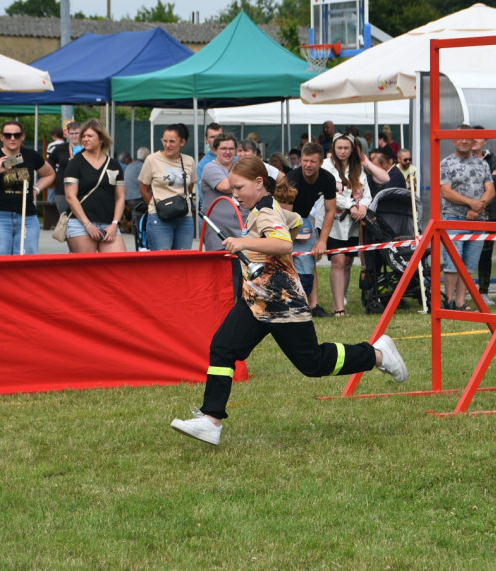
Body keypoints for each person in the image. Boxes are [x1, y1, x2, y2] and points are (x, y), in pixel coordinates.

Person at [169, 155, 408, 446]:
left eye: (239, 188)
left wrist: (244, 242)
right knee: (222, 347)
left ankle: (377, 354)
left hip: (282, 302)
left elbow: (284, 242)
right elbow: (296, 222)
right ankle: (210, 419)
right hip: (257, 300)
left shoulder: (266, 211)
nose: (234, 194)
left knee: (313, 363)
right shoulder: (265, 208)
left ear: (259, 183)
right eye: (232, 189)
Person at [0, 121, 55, 256]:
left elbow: (50, 174)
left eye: (16, 135)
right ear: (1, 137)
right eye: (8, 135)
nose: (12, 138)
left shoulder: (30, 155)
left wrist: (36, 189)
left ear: (22, 136)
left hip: (26, 216)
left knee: (26, 262)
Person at [440, 124, 495, 311]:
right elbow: (446, 192)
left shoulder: (483, 164)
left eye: (467, 138)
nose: (464, 141)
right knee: (452, 262)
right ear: (453, 141)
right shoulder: (446, 163)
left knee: (469, 264)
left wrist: (478, 208)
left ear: (473, 141)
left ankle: (461, 302)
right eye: (460, 138)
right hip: (453, 218)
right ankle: (449, 301)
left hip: (477, 220)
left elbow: (491, 190)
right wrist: (471, 204)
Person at [284, 142, 338, 318]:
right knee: (285, 261)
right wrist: (295, 234)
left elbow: (330, 211)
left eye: (312, 161)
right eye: (305, 160)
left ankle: (312, 306)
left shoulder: (328, 179)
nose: (308, 165)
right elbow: (284, 215)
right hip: (282, 219)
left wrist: (321, 241)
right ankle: (287, 304)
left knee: (310, 258)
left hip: (304, 218)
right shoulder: (291, 179)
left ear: (321, 163)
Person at [322, 132, 371, 316]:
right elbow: (331, 193)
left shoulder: (357, 168)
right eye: (339, 148)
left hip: (352, 223)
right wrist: (351, 205)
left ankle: (340, 300)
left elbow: (366, 192)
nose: (342, 151)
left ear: (352, 149)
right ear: (333, 148)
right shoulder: (326, 166)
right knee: (338, 260)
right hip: (332, 220)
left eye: (346, 148)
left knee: (348, 261)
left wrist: (363, 206)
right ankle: (338, 309)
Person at [63, 118, 126, 254]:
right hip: (80, 224)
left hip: (108, 223)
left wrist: (115, 224)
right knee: (86, 271)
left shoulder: (114, 164)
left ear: (101, 139)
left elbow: (120, 197)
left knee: (118, 267)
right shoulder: (75, 163)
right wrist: (87, 224)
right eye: (83, 136)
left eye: (90, 136)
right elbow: (70, 196)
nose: (85, 139)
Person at [138, 123, 195, 251]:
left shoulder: (189, 161)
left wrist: (181, 202)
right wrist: (155, 206)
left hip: (184, 216)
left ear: (182, 142)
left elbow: (190, 184)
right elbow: (143, 188)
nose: (167, 145)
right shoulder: (152, 160)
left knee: (183, 259)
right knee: (162, 259)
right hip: (159, 216)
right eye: (165, 141)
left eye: (172, 141)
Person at [472, 126, 496, 306]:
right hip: (468, 214)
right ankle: (463, 290)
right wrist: (487, 180)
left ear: (485, 140)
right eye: (472, 137)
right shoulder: (464, 158)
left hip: (489, 216)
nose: (475, 140)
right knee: (465, 251)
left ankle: (483, 291)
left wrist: (480, 181)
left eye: (479, 137)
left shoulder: (492, 158)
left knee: (486, 255)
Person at [199, 133, 243, 251]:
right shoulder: (210, 168)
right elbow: (224, 186)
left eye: (231, 149)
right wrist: (248, 181)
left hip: (240, 233)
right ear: (215, 150)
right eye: (223, 148)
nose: (227, 152)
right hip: (218, 233)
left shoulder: (239, 168)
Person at [47, 121, 80, 216]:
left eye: (77, 133)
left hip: (81, 189)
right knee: (64, 217)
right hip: (62, 188)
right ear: (68, 134)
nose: (74, 136)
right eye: (72, 133)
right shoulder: (61, 148)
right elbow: (50, 160)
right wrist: (53, 175)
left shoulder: (86, 149)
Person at [196, 122, 223, 213]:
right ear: (206, 140)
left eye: (219, 136)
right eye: (212, 137)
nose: (216, 139)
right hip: (211, 213)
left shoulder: (234, 159)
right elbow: (203, 195)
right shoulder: (202, 165)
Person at [45, 126, 66, 202]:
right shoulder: (66, 145)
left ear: (54, 135)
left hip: (53, 172)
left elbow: (49, 159)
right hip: (63, 172)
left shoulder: (51, 145)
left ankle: (50, 208)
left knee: (51, 194)